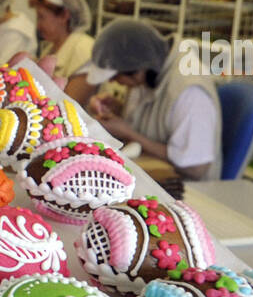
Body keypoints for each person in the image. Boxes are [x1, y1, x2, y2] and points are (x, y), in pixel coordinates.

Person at [83, 18, 222, 181]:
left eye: (115, 76)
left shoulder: (190, 92)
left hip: (188, 189)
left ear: (139, 69)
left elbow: (195, 167)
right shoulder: (150, 71)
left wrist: (129, 133)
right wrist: (118, 109)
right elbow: (161, 120)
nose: (113, 82)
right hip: (148, 173)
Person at [26, 0, 95, 104]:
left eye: (41, 17)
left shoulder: (84, 50)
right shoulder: (50, 49)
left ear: (64, 16)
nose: (38, 25)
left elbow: (68, 105)